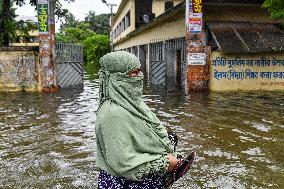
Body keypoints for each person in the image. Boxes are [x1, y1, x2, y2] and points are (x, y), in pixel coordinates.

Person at [95, 51, 194, 189]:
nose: (139, 76)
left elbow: (140, 133)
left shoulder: (132, 103)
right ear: (117, 77)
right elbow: (122, 162)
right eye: (133, 73)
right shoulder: (112, 114)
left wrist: (162, 141)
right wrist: (165, 163)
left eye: (139, 71)